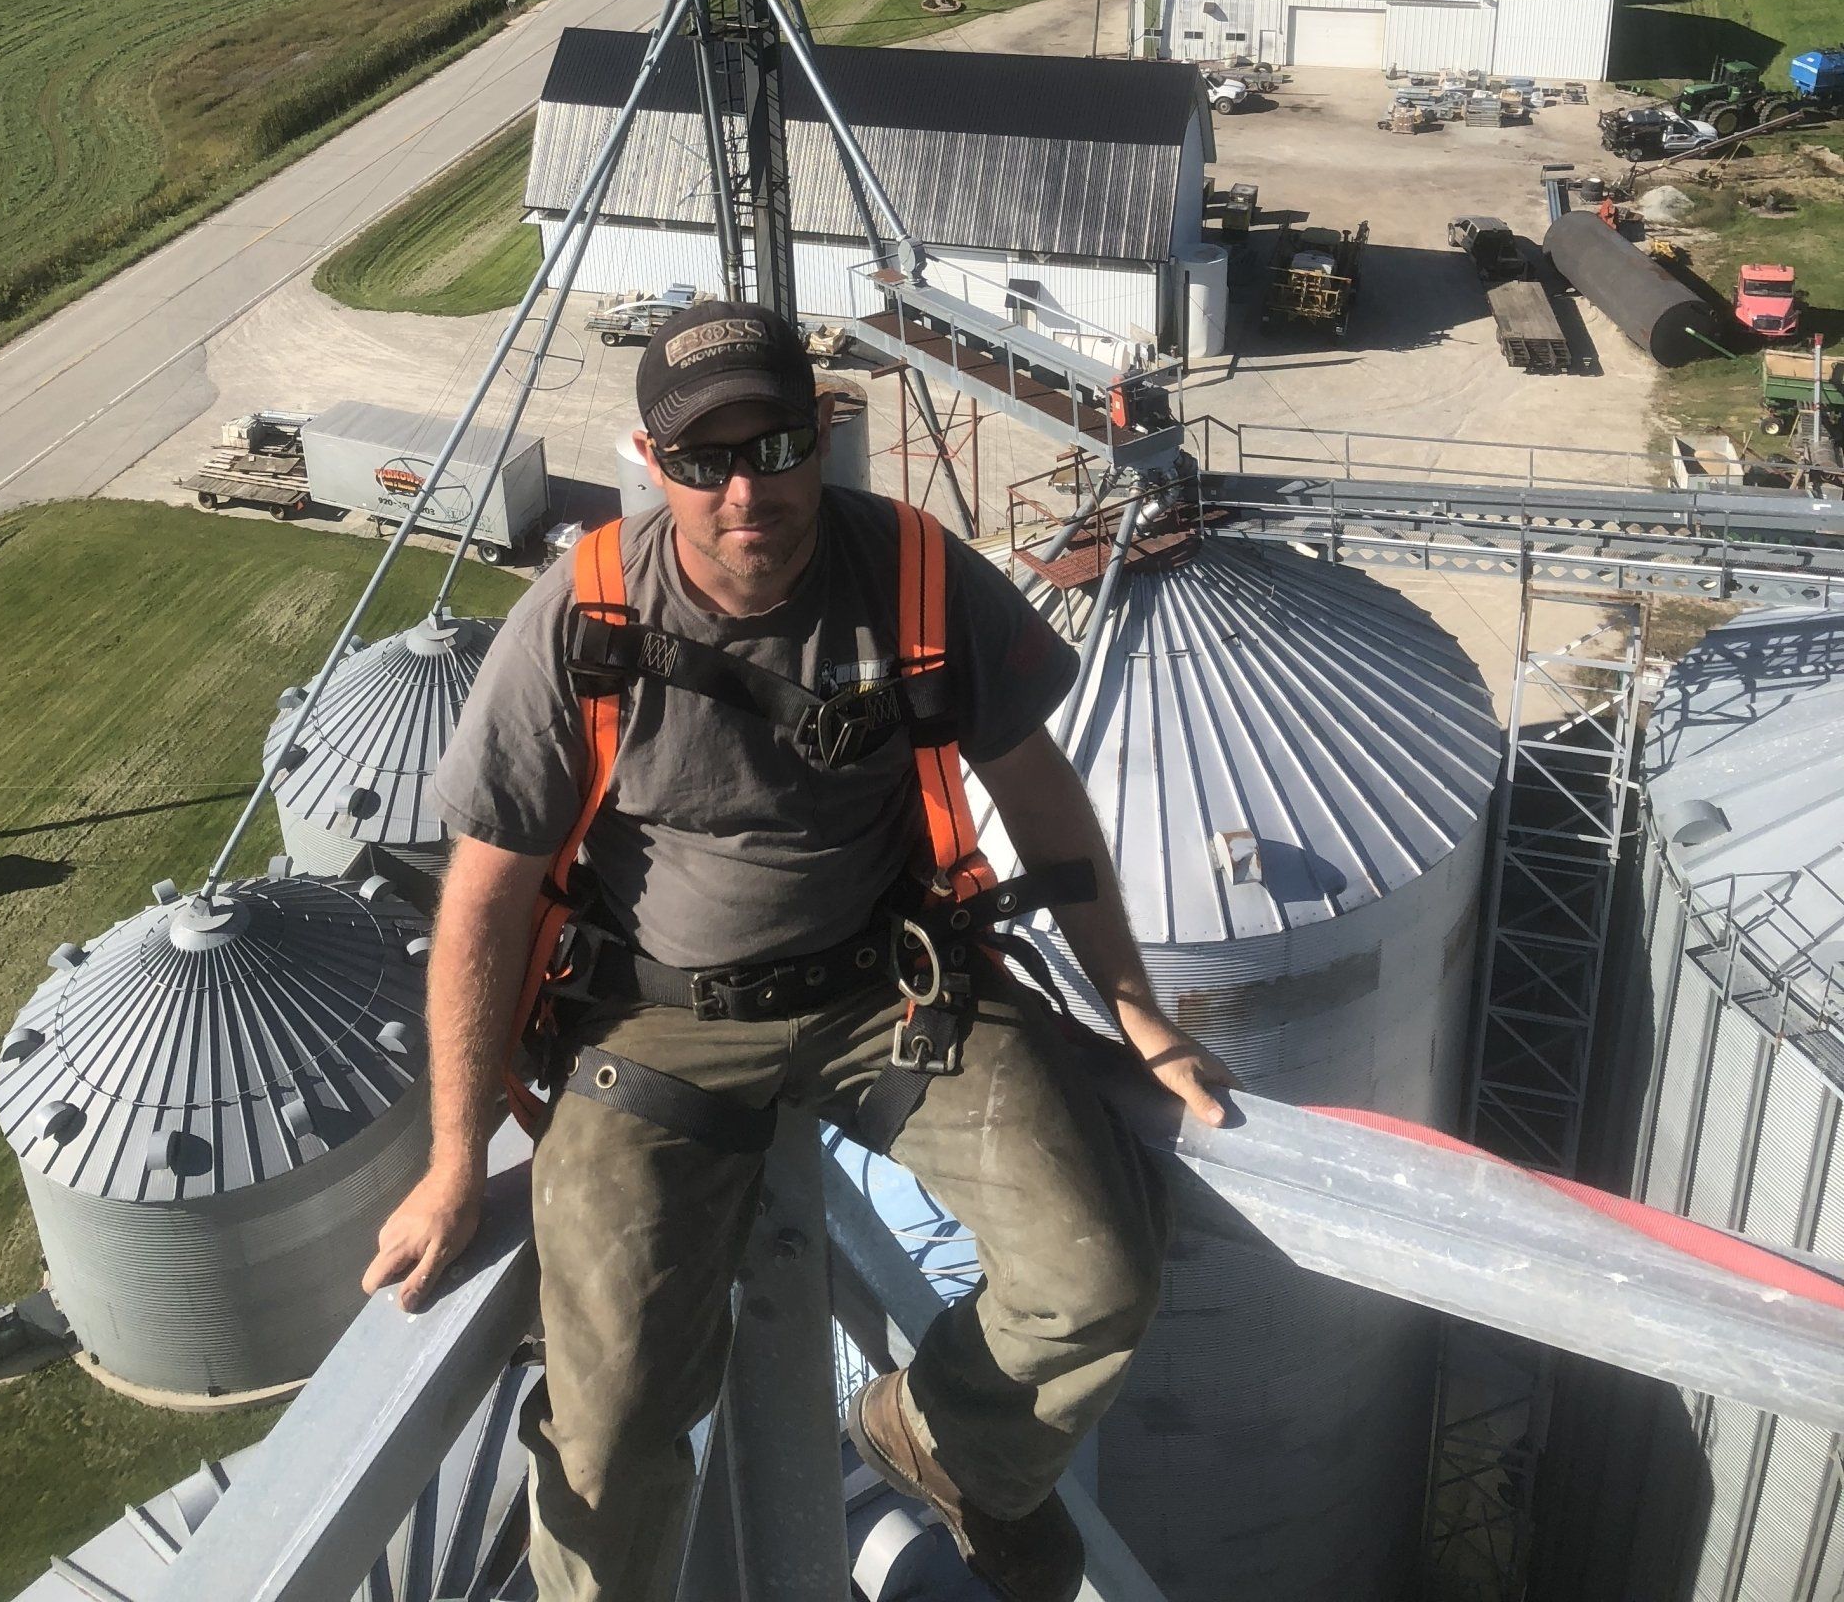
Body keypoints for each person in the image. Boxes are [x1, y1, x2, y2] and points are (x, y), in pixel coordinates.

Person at [365, 300, 1229, 1602]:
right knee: (608, 1427)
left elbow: (1046, 802)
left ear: (818, 442)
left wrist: (1138, 1012)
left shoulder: (914, 576)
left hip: (890, 986)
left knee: (1098, 1276)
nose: (742, 493)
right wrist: (447, 1164)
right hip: (654, 1025)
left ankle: (938, 1443)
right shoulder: (585, 622)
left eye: (771, 450)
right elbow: (482, 904)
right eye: (703, 461)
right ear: (652, 467)